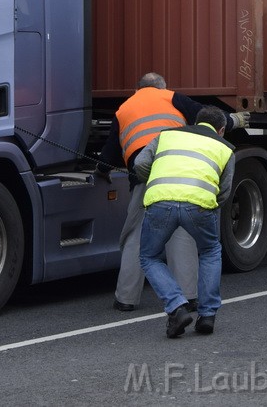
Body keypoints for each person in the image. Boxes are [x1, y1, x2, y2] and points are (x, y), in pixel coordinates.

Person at [97, 72, 247, 312]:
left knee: (136, 237)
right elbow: (206, 120)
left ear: (138, 90)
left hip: (144, 175)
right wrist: (234, 120)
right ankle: (188, 297)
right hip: (178, 170)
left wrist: (101, 169)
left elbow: (110, 151)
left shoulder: (123, 108)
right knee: (182, 234)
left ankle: (125, 298)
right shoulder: (172, 97)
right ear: (162, 87)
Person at [135, 106, 235, 338]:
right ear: (221, 130)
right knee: (210, 251)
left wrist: (156, 178)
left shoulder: (166, 135)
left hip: (160, 201)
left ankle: (177, 306)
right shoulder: (226, 148)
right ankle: (207, 315)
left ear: (195, 121)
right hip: (199, 206)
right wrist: (208, 202)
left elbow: (140, 163)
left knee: (149, 256)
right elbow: (225, 190)